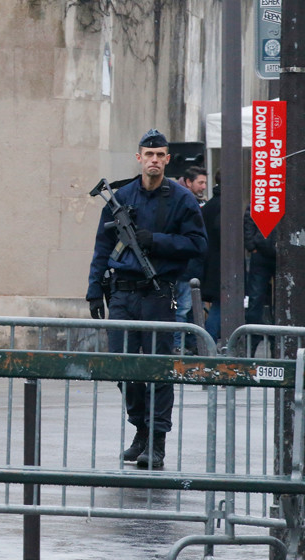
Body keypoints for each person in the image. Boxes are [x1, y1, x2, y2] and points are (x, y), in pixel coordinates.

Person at [86, 129, 207, 469]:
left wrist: (155, 240)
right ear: (139, 158)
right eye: (148, 155)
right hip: (121, 293)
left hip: (157, 293)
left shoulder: (182, 199)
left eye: (160, 155)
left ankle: (156, 440)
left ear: (168, 159)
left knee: (157, 367)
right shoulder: (121, 196)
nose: (154, 160)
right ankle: (140, 427)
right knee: (122, 366)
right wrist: (95, 287)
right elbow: (103, 245)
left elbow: (198, 245)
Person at [173, 166, 207, 353]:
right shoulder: (185, 204)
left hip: (190, 267)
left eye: (204, 183)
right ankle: (178, 345)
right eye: (200, 182)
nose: (203, 187)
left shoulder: (192, 203)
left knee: (190, 309)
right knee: (184, 308)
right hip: (186, 268)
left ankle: (190, 344)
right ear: (188, 182)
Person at [243, 204, 276, 356]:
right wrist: (251, 244)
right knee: (255, 300)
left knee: (256, 300)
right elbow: (250, 215)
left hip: (266, 249)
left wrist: (252, 244)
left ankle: (270, 345)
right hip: (264, 251)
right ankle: (252, 345)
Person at [200, 172, 222, 343]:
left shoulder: (209, 205)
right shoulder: (224, 205)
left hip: (210, 263)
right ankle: (210, 342)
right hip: (220, 265)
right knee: (220, 306)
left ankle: (208, 341)